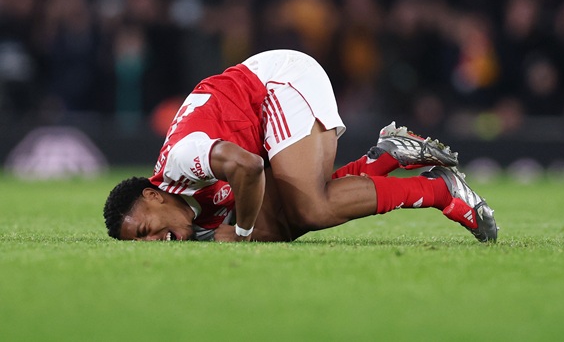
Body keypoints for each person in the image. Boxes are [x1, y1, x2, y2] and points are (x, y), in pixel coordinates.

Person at [103, 49, 498, 242]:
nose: (153, 243)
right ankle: (383, 159)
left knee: (308, 208)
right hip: (263, 119)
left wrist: (240, 234)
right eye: (141, 244)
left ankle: (439, 190)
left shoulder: (180, 161)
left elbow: (248, 167)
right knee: (278, 227)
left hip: (278, 84)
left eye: (144, 231)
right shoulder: (190, 218)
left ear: (153, 196)